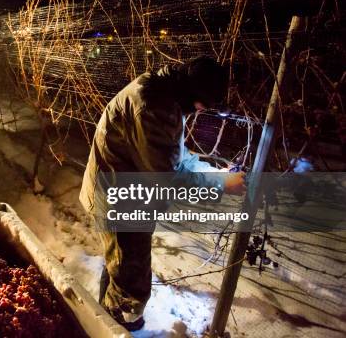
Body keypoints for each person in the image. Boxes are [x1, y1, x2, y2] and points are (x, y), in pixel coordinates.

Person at [79, 56, 246, 330]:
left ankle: (108, 314)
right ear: (193, 94)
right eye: (201, 106)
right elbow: (167, 175)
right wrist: (222, 183)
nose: (199, 112)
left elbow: (172, 156)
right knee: (130, 281)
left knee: (120, 267)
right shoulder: (154, 108)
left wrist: (216, 173)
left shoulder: (163, 93)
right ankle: (113, 328)